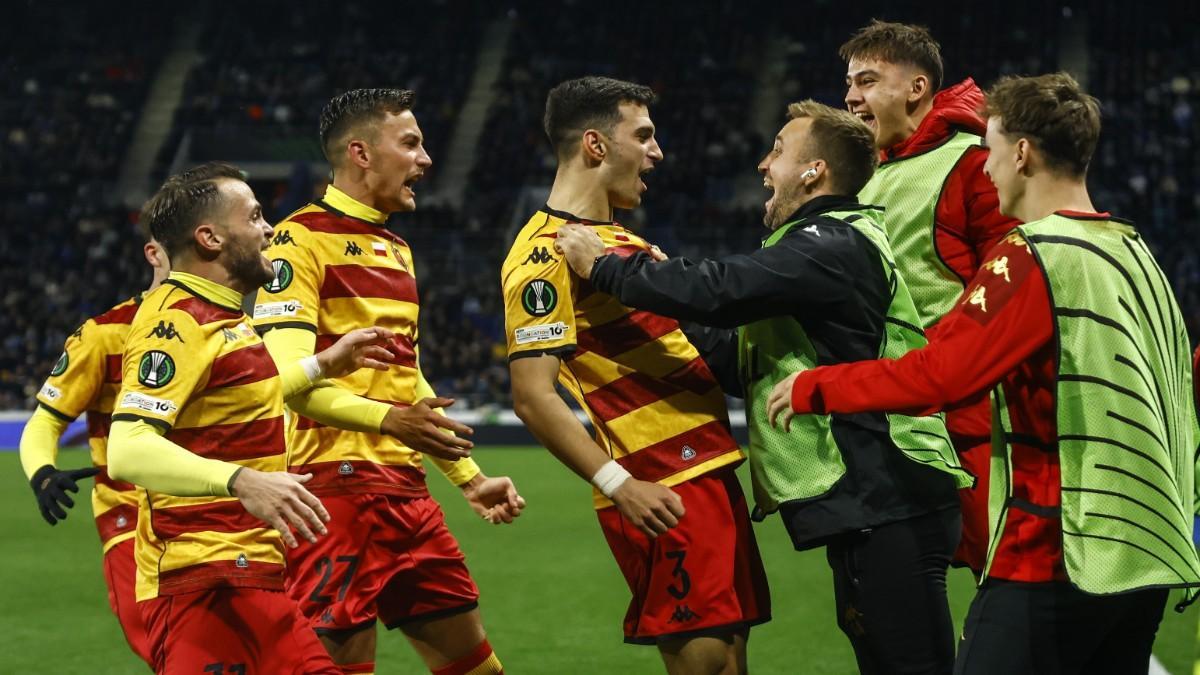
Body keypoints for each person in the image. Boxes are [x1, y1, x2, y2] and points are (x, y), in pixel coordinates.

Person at [769, 73, 1200, 674]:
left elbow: (940, 376)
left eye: (991, 153)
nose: (986, 169)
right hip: (1147, 550)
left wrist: (818, 386)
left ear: (1020, 153)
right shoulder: (1134, 252)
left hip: (1059, 550)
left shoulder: (1035, 253)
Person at [555, 100, 970, 674]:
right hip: (873, 501)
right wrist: (662, 318)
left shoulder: (830, 242)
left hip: (890, 494)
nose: (762, 164)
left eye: (778, 150)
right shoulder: (815, 248)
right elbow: (741, 362)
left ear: (814, 171)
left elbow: (722, 288)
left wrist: (609, 271)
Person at [504, 76, 770, 675]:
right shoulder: (543, 253)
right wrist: (618, 484)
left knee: (730, 660)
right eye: (644, 135)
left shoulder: (624, 243)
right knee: (705, 664)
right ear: (595, 146)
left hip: (709, 470)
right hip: (658, 480)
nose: (658, 152)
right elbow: (531, 396)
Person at [254, 88, 520, 675]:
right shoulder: (296, 243)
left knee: (478, 668)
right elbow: (282, 379)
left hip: (404, 489)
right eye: (411, 144)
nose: (425, 160)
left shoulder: (396, 248)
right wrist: (389, 420)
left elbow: (407, 378)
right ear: (361, 153)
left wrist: (469, 479)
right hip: (330, 496)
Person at [107, 163, 398, 673]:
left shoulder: (227, 318)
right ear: (210, 237)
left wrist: (323, 364)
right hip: (202, 586)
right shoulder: (177, 321)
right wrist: (243, 481)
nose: (270, 230)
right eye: (257, 216)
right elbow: (127, 448)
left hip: (251, 577)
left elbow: (243, 400)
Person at [840, 20, 1021, 571]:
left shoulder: (972, 161)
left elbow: (1011, 285)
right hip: (889, 413)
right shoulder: (863, 177)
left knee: (1011, 582)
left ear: (916, 88)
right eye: (848, 83)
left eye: (868, 81)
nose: (851, 96)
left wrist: (938, 368)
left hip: (968, 422)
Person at [19, 234, 169, 668]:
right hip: (132, 517)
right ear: (156, 253)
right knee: (176, 654)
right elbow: (46, 420)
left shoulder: (235, 329)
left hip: (225, 517)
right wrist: (42, 472)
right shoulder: (104, 334)